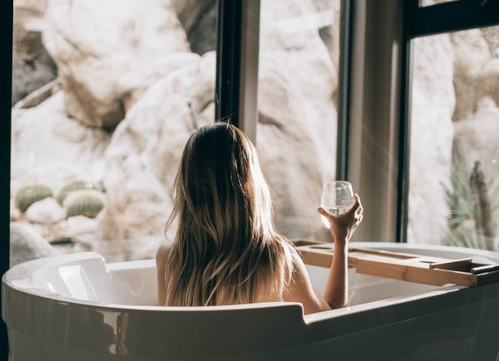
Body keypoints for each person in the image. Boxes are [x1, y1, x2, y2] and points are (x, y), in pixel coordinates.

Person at [155, 122, 363, 314]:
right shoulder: (276, 258)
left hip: (194, 356)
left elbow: (169, 335)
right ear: (250, 184)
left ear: (187, 187)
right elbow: (330, 320)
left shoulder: (169, 258)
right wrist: (341, 239)